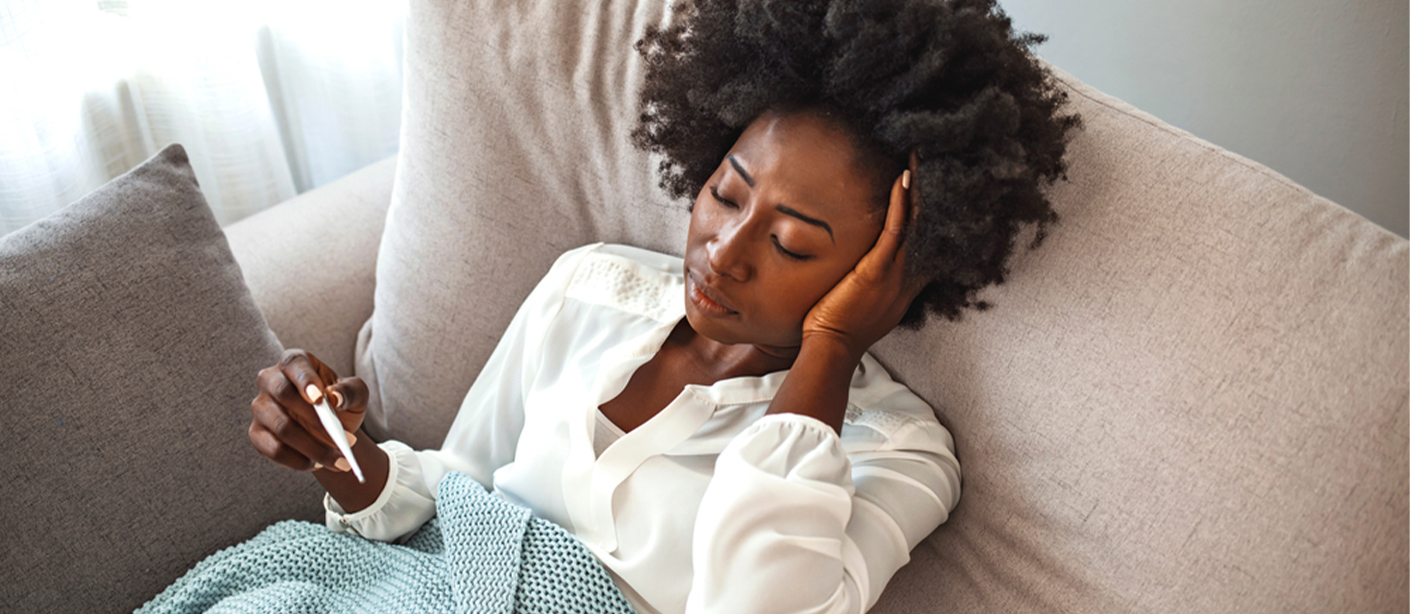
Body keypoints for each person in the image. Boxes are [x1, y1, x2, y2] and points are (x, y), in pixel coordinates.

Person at [246, 0, 1079, 612]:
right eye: (726, 194)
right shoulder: (587, 287)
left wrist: (830, 348)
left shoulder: (896, 453)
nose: (724, 250)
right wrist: (339, 455)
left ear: (889, 268)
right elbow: (458, 503)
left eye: (792, 244)